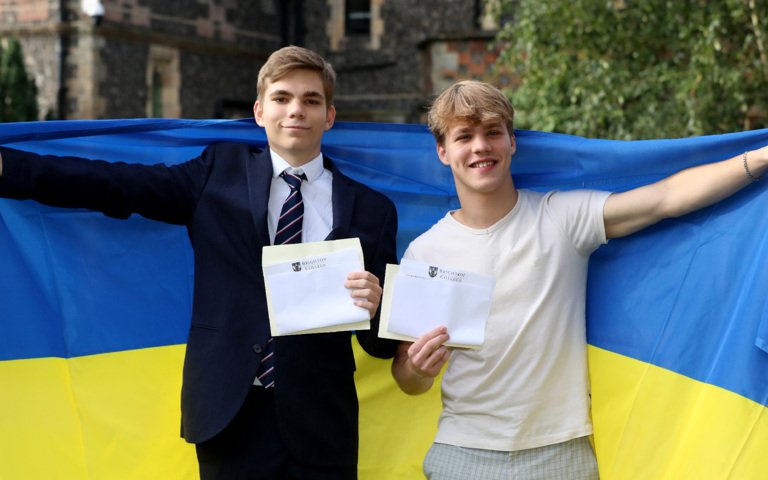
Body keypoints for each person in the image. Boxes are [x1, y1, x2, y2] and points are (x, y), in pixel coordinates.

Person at [0, 46, 398, 479]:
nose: (296, 110)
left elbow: (382, 345)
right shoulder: (217, 172)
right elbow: (115, 185)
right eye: (282, 98)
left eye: (311, 100)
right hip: (229, 416)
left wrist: (377, 308)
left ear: (330, 115)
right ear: (260, 111)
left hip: (323, 426)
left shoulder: (372, 210)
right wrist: (9, 168)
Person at [390, 79, 768, 479]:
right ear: (443, 151)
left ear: (511, 142)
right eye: (464, 136)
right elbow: (406, 379)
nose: (481, 146)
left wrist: (760, 159)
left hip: (560, 455)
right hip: (462, 456)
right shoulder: (424, 252)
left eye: (492, 132)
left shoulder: (561, 219)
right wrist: (418, 370)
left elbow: (665, 198)